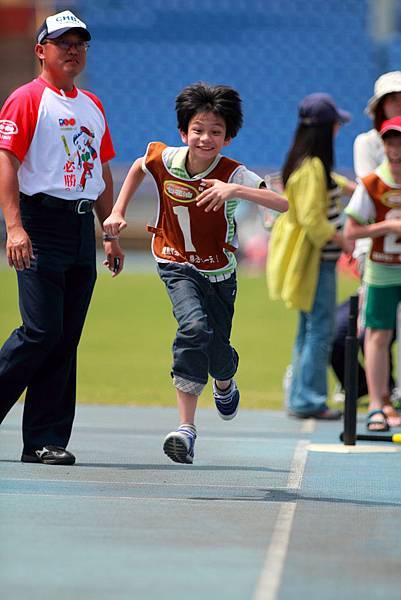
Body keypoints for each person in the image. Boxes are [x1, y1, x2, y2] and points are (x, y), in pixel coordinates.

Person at [103, 82, 288, 464]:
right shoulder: (165, 158)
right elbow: (139, 166)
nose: (206, 138)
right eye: (198, 130)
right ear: (183, 132)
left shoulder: (234, 174)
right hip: (174, 262)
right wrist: (118, 210)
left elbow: (281, 202)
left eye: (216, 132)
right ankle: (185, 429)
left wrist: (234, 192)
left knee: (218, 351)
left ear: (228, 137)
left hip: (220, 272)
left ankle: (224, 383)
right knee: (193, 329)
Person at [0, 10, 123, 465]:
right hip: (39, 222)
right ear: (41, 51)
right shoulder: (27, 99)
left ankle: (44, 439)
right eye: (63, 42)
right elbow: (7, 163)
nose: (73, 50)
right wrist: (14, 227)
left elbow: (102, 168)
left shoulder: (92, 104)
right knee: (39, 332)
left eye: (80, 43)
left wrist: (108, 229)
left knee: (65, 337)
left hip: (78, 227)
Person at [267, 93, 355, 419]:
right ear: (326, 129)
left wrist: (356, 190)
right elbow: (312, 219)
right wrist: (344, 241)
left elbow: (333, 184)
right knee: (320, 327)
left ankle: (302, 395)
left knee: (308, 327)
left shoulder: (304, 162)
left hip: (313, 261)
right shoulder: (313, 167)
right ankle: (309, 399)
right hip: (316, 260)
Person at [344, 115, 401, 431]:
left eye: (400, 141)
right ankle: (377, 405)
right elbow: (351, 231)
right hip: (381, 269)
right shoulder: (372, 184)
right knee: (378, 334)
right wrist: (388, 226)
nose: (396, 148)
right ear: (384, 145)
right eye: (391, 141)